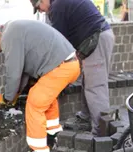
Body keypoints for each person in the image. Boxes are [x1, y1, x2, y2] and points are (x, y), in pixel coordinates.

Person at [0, 20, 80, 152]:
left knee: (35, 103)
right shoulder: (15, 29)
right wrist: (16, 93)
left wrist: (7, 98)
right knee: (46, 96)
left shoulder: (9, 37)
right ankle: (54, 134)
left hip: (61, 67)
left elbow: (13, 74)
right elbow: (23, 72)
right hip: (70, 64)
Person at [30, 0, 115, 136]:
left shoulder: (57, 8)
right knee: (88, 82)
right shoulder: (58, 5)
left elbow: (57, 43)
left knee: (95, 87)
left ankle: (102, 134)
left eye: (38, 7)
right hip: (94, 39)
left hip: (96, 39)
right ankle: (86, 118)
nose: (40, 11)